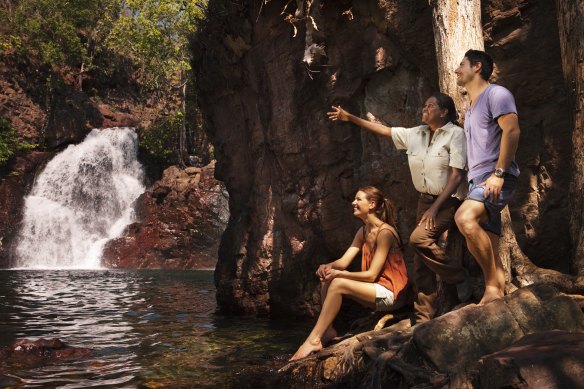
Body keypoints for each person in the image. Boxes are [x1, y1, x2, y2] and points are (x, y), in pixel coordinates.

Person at [327, 93, 469, 324]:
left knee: (418, 239)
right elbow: (384, 130)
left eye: (430, 106)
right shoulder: (416, 134)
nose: (425, 108)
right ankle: (424, 318)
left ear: (443, 112)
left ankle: (459, 277)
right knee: (421, 264)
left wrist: (434, 209)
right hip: (424, 199)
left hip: (448, 199)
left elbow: (457, 175)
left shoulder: (455, 134)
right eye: (424, 105)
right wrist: (349, 117)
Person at [290, 186, 409, 361]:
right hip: (376, 290)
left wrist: (339, 275)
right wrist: (328, 266)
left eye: (358, 199)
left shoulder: (385, 233)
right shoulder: (363, 231)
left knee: (337, 282)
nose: (353, 203)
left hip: (393, 294)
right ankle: (328, 330)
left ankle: (312, 340)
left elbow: (371, 275)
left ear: (371, 204)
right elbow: (344, 262)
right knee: (328, 278)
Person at [453, 49, 521, 305]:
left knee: (464, 218)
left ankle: (491, 286)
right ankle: (499, 294)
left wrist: (499, 173)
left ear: (477, 67)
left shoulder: (497, 94)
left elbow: (512, 130)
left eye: (462, 64)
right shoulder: (469, 108)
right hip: (477, 179)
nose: (457, 70)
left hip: (496, 175)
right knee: (483, 240)